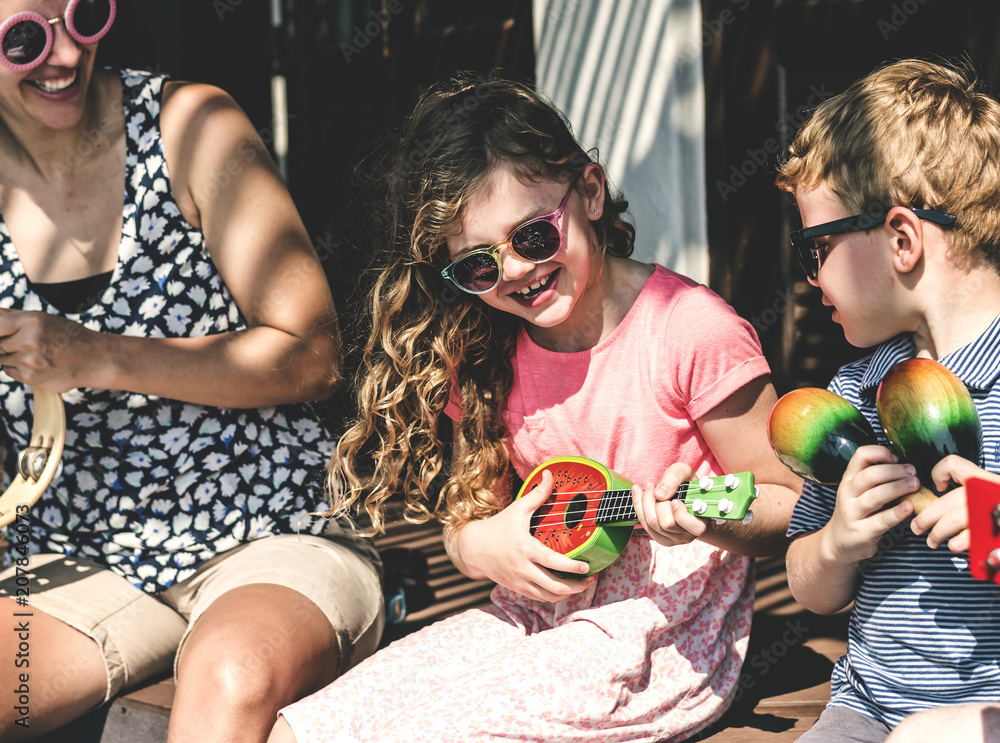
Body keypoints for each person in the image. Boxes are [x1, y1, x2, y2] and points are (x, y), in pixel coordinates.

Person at [266, 71, 802, 743]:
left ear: (591, 192)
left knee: (438, 729)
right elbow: (469, 521)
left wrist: (701, 518)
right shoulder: (488, 347)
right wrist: (485, 545)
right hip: (532, 616)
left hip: (658, 634)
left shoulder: (690, 330)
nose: (515, 270)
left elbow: (788, 501)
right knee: (307, 726)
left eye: (534, 237)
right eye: (479, 268)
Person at [0, 2, 383, 741]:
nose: (66, 55)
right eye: (25, 38)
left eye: (84, 16)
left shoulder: (191, 125)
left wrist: (98, 355)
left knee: (229, 678)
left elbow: (313, 355)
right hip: (79, 558)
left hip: (268, 527)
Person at [775, 58, 1000, 742]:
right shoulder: (855, 394)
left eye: (817, 248)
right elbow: (808, 584)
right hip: (865, 706)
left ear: (901, 239)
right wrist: (839, 542)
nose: (810, 278)